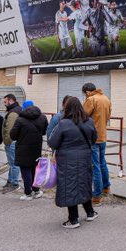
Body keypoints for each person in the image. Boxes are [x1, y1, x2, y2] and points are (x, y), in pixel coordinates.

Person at [47, 97, 98, 228]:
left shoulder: (63, 123)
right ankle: (90, 213)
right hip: (85, 157)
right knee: (84, 183)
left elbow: (52, 142)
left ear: (67, 108)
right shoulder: (89, 121)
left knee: (69, 185)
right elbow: (94, 139)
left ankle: (73, 219)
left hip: (67, 159)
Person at [10, 100, 48, 200]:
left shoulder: (20, 120)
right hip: (36, 148)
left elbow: (13, 135)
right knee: (35, 170)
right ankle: (36, 190)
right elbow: (44, 131)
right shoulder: (42, 117)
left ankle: (27, 193)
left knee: (25, 170)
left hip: (23, 149)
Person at [82, 83, 112, 204]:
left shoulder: (91, 99)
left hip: (92, 137)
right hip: (103, 136)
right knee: (102, 162)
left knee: (95, 166)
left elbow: (82, 116)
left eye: (84, 94)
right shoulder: (106, 98)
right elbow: (108, 116)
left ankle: (96, 195)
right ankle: (106, 187)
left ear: (87, 92)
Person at [0, 94, 22, 194]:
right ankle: (10, 181)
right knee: (12, 163)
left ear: (10, 101)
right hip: (13, 142)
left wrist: (7, 141)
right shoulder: (16, 110)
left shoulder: (13, 113)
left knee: (14, 163)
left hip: (12, 142)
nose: (4, 104)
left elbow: (10, 130)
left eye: (5, 102)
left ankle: (14, 183)